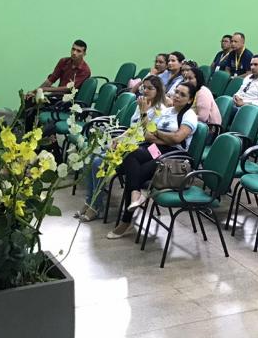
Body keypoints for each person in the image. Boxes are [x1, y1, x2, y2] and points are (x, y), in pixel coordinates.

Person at [108, 82, 200, 239]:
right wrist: (164, 137)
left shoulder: (189, 115)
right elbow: (147, 134)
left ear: (190, 100)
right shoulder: (168, 111)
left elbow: (177, 138)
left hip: (173, 158)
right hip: (157, 148)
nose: (177, 96)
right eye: (176, 92)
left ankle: (126, 220)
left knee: (134, 174)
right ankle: (136, 195)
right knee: (132, 154)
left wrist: (159, 134)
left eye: (182, 94)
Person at [81, 75, 165, 221]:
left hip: (141, 150)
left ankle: (96, 206)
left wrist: (143, 113)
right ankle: (90, 201)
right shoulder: (141, 104)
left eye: (150, 88)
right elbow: (132, 128)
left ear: (158, 91)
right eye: (144, 87)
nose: (145, 91)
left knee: (97, 163)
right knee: (90, 158)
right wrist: (118, 138)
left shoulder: (160, 110)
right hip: (128, 143)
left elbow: (148, 135)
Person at [23, 39, 92, 130]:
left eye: (78, 51)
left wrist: (46, 89)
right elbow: (51, 80)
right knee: (29, 99)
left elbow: (68, 89)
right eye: (73, 49)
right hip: (56, 96)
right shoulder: (63, 61)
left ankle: (35, 136)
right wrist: (35, 91)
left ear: (84, 54)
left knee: (34, 110)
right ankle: (21, 128)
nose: (74, 53)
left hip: (67, 102)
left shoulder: (85, 70)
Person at [180, 63, 221, 127]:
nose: (187, 81)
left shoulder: (202, 92)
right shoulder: (190, 91)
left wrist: (182, 117)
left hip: (209, 128)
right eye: (185, 78)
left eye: (190, 78)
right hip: (192, 122)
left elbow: (202, 118)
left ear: (198, 79)